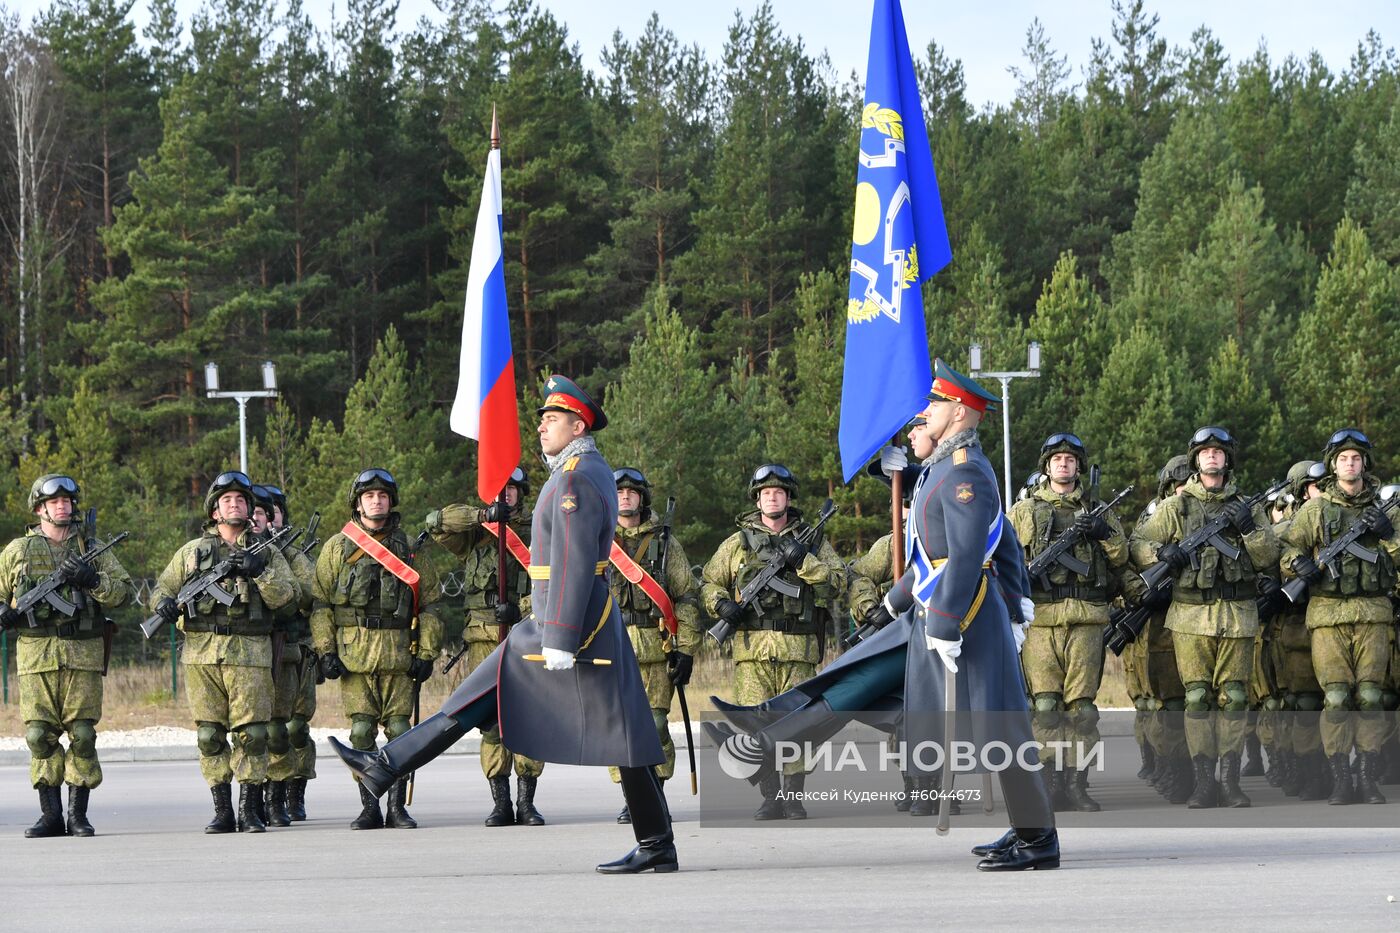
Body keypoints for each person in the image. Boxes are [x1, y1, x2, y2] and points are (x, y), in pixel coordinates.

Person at [705, 359, 1058, 871]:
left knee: (1002, 729)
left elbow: (966, 555)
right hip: (935, 610)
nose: (920, 418)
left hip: (961, 618)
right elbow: (955, 548)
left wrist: (956, 619)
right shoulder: (943, 469)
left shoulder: (965, 473)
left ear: (959, 412)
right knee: (858, 677)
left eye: (929, 409)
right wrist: (894, 602)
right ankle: (763, 731)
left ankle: (1037, 836)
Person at [330, 375, 677, 874]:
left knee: (621, 730)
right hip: (576, 617)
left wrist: (558, 634)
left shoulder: (576, 476)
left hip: (571, 622)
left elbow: (575, 560)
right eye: (541, 419)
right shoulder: (582, 468)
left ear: (577, 424)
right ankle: (385, 765)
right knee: (505, 698)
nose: (540, 427)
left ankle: (385, 765)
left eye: (551, 419)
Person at [1132, 427, 1281, 809]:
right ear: (1195, 460)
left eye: (1218, 452)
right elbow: (1137, 544)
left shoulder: (1248, 505)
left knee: (1233, 699)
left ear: (1227, 459)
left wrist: (1248, 527)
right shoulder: (1176, 507)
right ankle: (1203, 782)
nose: (1211, 457)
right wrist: (1162, 555)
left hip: (1237, 614)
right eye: (1204, 452)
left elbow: (1268, 557)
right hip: (1191, 615)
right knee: (1197, 699)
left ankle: (1230, 781)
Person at [150, 471, 297, 833]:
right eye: (226, 500)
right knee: (209, 735)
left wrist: (260, 572)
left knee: (252, 734)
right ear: (214, 512)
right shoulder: (192, 552)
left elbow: (288, 599)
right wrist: (166, 606)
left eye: (241, 500)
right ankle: (222, 808)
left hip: (251, 652)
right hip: (202, 653)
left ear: (250, 509)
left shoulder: (268, 551)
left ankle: (249, 808)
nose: (234, 504)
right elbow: (160, 591)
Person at [701, 463, 846, 819]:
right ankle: (770, 796)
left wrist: (805, 562)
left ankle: (794, 797)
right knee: (756, 726)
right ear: (757, 498)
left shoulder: (812, 542)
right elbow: (706, 581)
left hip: (799, 650)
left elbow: (839, 581)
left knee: (799, 726)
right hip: (751, 653)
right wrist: (720, 604)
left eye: (779, 492)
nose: (772, 497)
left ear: (788, 497)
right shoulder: (738, 543)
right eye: (766, 493)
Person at [311, 469, 445, 830]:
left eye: (383, 495)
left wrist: (427, 654)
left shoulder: (409, 550)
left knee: (401, 732)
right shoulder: (337, 548)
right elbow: (321, 603)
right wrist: (326, 650)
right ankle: (369, 805)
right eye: (369, 495)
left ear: (391, 501)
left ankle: (397, 807)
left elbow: (431, 605)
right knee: (361, 733)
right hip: (354, 656)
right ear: (358, 502)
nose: (376, 500)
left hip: (399, 654)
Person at [0, 474, 133, 837]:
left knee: (83, 734)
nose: (63, 506)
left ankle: (77, 814)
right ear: (39, 508)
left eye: (67, 501)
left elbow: (122, 593)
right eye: (54, 501)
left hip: (83, 654)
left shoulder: (94, 548)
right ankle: (51, 815)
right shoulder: (17, 552)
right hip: (36, 655)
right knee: (39, 735)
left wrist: (92, 580)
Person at [1007, 433, 1132, 812]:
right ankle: (1049, 782)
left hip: (1086, 618)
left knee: (1082, 710)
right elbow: (998, 554)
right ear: (1046, 467)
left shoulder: (1098, 511)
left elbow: (1122, 556)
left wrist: (1104, 533)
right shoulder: (1025, 511)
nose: (1063, 464)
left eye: (1070, 459)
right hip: (1041, 620)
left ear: (1079, 466)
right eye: (1057, 459)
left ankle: (1078, 783)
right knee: (1045, 706)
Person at [1280, 429, 1400, 805]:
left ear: (1366, 463)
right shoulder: (1315, 510)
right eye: (1344, 458)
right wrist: (1297, 564)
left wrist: (1390, 535)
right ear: (1333, 464)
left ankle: (1367, 777)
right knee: (1335, 698)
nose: (1351, 464)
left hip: (1373, 614)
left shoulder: (1384, 511)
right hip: (1328, 614)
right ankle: (1341, 778)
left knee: (1369, 697)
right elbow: (1285, 547)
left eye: (1357, 458)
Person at [426, 467, 544, 826]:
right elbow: (435, 522)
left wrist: (522, 608)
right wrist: (483, 516)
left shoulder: (539, 528)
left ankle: (527, 802)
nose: (506, 494)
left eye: (512, 488)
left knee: (528, 719)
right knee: (491, 723)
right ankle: (501, 801)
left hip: (528, 633)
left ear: (521, 492)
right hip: (482, 636)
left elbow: (556, 583)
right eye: (499, 488)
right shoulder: (476, 534)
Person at [607, 467, 702, 822]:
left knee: (656, 726)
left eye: (632, 491)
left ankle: (656, 794)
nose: (626, 496)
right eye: (619, 491)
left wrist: (686, 649)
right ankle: (632, 797)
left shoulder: (665, 542)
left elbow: (687, 596)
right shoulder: (598, 539)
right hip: (611, 648)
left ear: (643, 497)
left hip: (656, 648)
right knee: (620, 728)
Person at [252, 484, 319, 825]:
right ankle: (263, 795)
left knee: (293, 728)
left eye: (273, 510)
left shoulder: (292, 555)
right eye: (263, 511)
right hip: (253, 650)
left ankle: (292, 792)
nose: (267, 517)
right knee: (260, 729)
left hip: (293, 650)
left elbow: (308, 596)